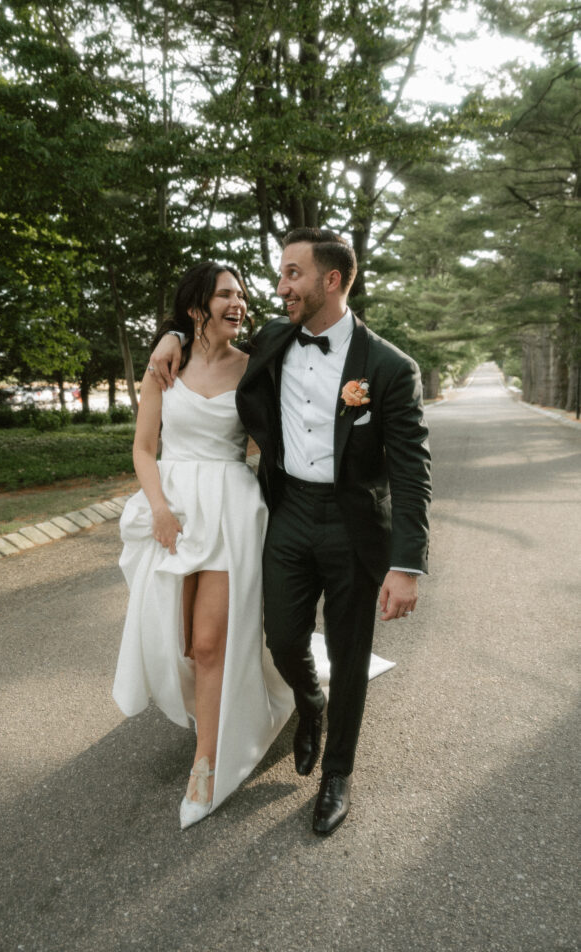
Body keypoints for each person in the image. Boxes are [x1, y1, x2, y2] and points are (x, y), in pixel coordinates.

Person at [149, 228, 431, 836]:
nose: (280, 289)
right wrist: (172, 335)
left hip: (355, 527)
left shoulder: (388, 368)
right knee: (281, 636)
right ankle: (309, 698)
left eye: (292, 275)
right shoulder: (275, 340)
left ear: (331, 280)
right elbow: (210, 338)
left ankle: (337, 775)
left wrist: (407, 565)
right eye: (279, 276)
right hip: (288, 513)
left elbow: (413, 476)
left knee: (351, 653)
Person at [112, 261, 294, 830]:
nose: (238, 303)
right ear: (196, 307)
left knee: (213, 642)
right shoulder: (164, 366)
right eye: (224, 295)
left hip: (231, 510)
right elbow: (144, 449)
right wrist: (160, 510)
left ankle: (208, 762)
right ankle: (206, 713)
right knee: (179, 642)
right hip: (173, 508)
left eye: (241, 294)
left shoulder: (257, 365)